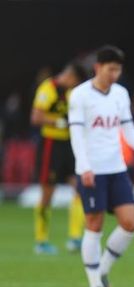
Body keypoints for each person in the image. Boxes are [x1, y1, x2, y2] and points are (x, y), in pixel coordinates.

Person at [68, 45, 134, 287]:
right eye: (110, 69)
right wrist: (84, 167)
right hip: (92, 169)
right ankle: (95, 285)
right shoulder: (80, 95)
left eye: (118, 69)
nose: (114, 74)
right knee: (94, 225)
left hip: (116, 167)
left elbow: (126, 125)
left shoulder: (120, 94)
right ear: (98, 68)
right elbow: (77, 134)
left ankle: (102, 271)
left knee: (130, 222)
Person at [31, 63, 87, 254]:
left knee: (79, 188)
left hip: (70, 145)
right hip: (51, 145)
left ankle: (75, 238)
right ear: (70, 76)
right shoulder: (49, 88)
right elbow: (36, 117)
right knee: (48, 193)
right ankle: (41, 240)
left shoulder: (74, 93)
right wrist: (58, 122)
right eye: (74, 81)